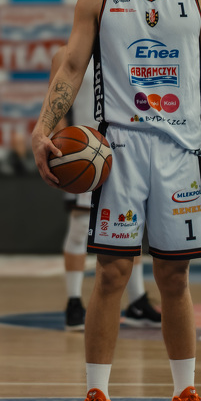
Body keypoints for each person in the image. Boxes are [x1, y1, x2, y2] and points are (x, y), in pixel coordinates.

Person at [32, 0, 201, 401]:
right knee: (112, 273)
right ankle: (96, 398)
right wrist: (44, 127)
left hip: (179, 152)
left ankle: (185, 396)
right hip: (118, 150)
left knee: (174, 276)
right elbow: (71, 65)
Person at [48, 48, 161, 332]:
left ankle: (137, 301)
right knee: (79, 226)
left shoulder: (124, 47)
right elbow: (56, 105)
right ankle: (74, 302)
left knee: (130, 225)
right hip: (84, 151)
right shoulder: (65, 54)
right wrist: (62, 148)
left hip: (124, 148)